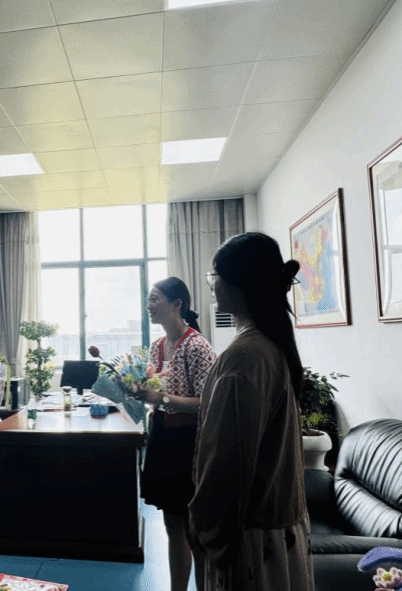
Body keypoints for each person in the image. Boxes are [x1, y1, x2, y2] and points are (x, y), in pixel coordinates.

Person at [188, 232, 314, 591]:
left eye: (214, 276)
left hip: (249, 540)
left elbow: (226, 465)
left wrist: (204, 531)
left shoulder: (244, 358)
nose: (212, 286)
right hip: (275, 529)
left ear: (236, 283)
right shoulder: (268, 345)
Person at [133, 276, 216, 591]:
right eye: (148, 299)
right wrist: (138, 391)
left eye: (155, 299)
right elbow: (155, 394)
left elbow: (208, 403)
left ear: (177, 303)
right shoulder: (157, 346)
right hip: (162, 438)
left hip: (190, 443)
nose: (149, 305)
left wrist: (161, 398)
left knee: (195, 529)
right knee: (173, 525)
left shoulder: (197, 345)